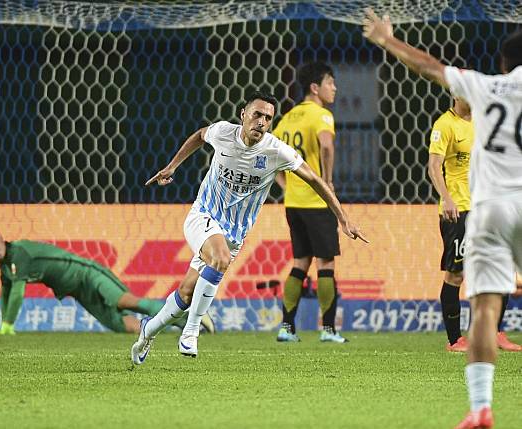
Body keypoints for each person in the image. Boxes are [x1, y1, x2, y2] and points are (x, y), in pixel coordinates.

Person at [363, 10, 522, 428]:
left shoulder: (484, 86)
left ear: (502, 64)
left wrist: (386, 40)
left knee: (485, 306)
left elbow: (428, 66)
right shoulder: (451, 120)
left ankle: (481, 407)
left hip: (490, 210)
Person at [131, 91, 368, 365]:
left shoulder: (275, 150)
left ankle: (148, 329)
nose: (262, 122)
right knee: (218, 258)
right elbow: (199, 136)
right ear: (243, 115)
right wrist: (172, 166)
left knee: (186, 292)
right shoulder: (222, 133)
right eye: (257, 115)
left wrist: (343, 217)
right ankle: (192, 330)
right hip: (203, 215)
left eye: (268, 118)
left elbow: (315, 179)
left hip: (234, 234)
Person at [0, 225, 214, 335]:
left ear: (0, 236)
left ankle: (191, 314)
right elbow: (6, 292)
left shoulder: (19, 254)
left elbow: (16, 293)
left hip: (87, 273)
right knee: (121, 326)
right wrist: (3, 323)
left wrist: (7, 326)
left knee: (124, 302)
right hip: (78, 291)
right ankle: (182, 323)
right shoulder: (6, 267)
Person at [428, 98, 522, 353]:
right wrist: (446, 198)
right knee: (457, 274)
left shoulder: (484, 122)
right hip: (458, 209)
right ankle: (455, 340)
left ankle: (494, 333)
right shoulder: (445, 125)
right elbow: (434, 166)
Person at [273, 61, 347, 343]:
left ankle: (287, 327)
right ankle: (328, 329)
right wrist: (326, 182)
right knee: (325, 263)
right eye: (330, 83)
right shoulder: (321, 115)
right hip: (317, 203)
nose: (334, 88)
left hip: (293, 203)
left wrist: (285, 185)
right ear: (315, 88)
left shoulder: (287, 119)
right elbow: (326, 145)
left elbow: (273, 160)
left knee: (300, 262)